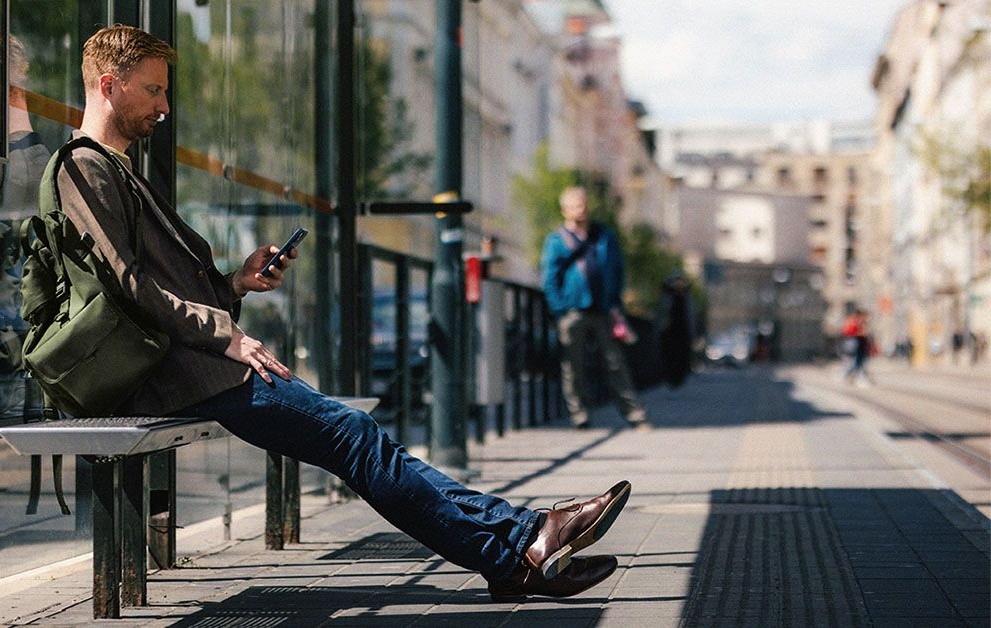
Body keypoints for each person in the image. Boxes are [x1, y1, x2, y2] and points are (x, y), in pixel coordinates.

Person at [49, 24, 631, 602]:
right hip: (178, 373)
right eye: (153, 90)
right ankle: (524, 539)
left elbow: (158, 285)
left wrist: (235, 283)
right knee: (354, 436)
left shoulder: (118, 167)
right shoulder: (82, 166)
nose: (165, 106)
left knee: (358, 437)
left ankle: (517, 551)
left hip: (199, 363)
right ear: (109, 85)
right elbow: (127, 285)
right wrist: (226, 336)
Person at [541, 186, 651, 430]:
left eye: (584, 203)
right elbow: (549, 278)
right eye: (576, 205)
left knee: (615, 363)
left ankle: (635, 415)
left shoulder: (604, 236)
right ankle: (579, 415)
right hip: (573, 311)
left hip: (604, 309)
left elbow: (617, 270)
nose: (582, 209)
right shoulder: (557, 240)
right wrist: (560, 308)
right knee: (573, 366)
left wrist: (614, 302)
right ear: (565, 210)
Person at [841, 308, 873, 387]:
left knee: (857, 362)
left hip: (859, 344)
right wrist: (862, 333)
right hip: (854, 343)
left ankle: (853, 377)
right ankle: (848, 376)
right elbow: (849, 332)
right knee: (854, 362)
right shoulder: (853, 321)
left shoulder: (859, 322)